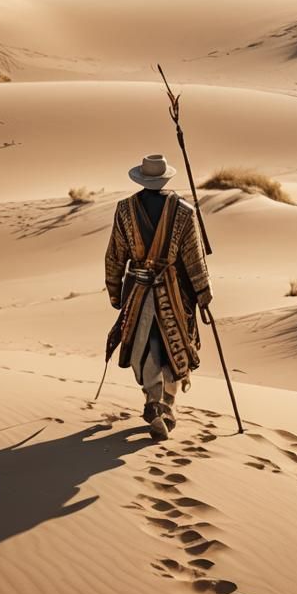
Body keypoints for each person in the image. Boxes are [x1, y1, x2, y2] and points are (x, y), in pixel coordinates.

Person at [104, 153, 213, 440]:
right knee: (172, 346)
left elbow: (115, 255)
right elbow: (194, 259)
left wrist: (115, 291)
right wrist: (203, 293)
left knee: (144, 346)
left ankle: (153, 401)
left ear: (141, 178)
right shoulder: (185, 211)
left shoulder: (125, 210)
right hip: (174, 294)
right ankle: (166, 405)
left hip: (138, 293)